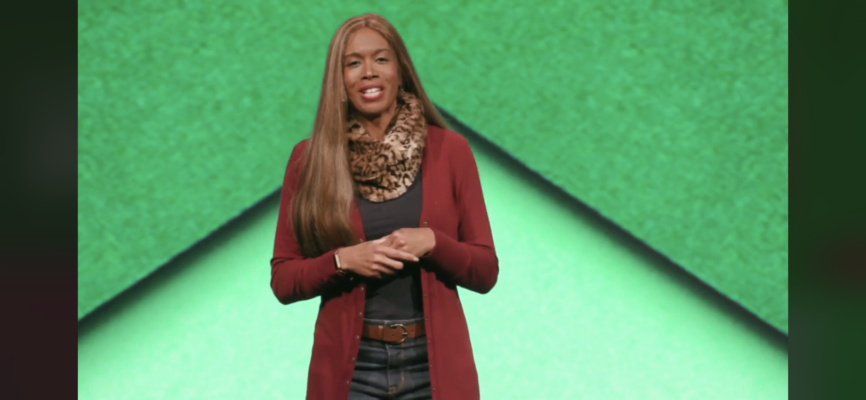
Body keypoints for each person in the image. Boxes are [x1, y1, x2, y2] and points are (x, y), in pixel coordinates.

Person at [270, 13, 498, 400]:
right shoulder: (310, 160)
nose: (368, 72)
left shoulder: (450, 151)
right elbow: (284, 279)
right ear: (339, 79)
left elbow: (485, 271)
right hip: (353, 372)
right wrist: (342, 261)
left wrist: (433, 242)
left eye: (380, 59)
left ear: (400, 70)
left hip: (433, 367)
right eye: (353, 63)